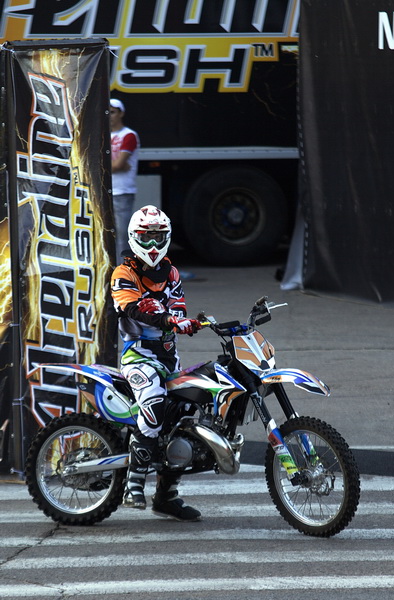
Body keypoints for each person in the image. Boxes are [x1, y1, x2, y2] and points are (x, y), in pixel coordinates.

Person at [110, 205, 202, 521]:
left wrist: (188, 322)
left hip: (168, 358)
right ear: (134, 237)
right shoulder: (123, 273)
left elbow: (178, 308)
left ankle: (166, 496)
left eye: (158, 237)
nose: (152, 244)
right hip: (137, 357)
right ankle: (133, 485)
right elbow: (132, 310)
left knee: (186, 413)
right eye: (146, 237)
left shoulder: (171, 272)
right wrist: (168, 320)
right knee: (153, 401)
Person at [110, 98, 140, 260]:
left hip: (122, 192)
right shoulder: (102, 135)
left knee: (122, 237)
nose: (110, 116)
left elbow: (119, 164)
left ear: (121, 114)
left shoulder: (128, 135)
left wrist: (114, 165)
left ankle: (125, 269)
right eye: (107, 112)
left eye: (113, 112)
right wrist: (116, 165)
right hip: (105, 191)